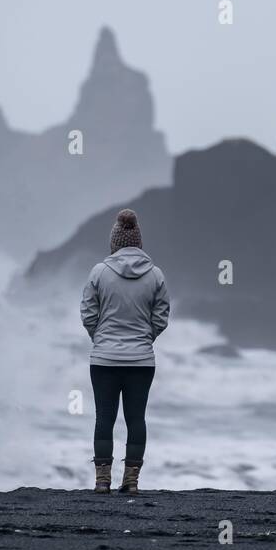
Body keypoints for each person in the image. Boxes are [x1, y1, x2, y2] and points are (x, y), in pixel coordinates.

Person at [80, 208, 170, 494]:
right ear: (138, 242)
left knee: (104, 418)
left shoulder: (99, 272)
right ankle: (131, 481)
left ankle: (102, 481)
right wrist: (146, 338)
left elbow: (88, 313)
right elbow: (161, 316)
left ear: (114, 241)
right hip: (141, 361)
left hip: (104, 359)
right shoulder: (155, 275)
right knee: (136, 418)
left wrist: (100, 338)